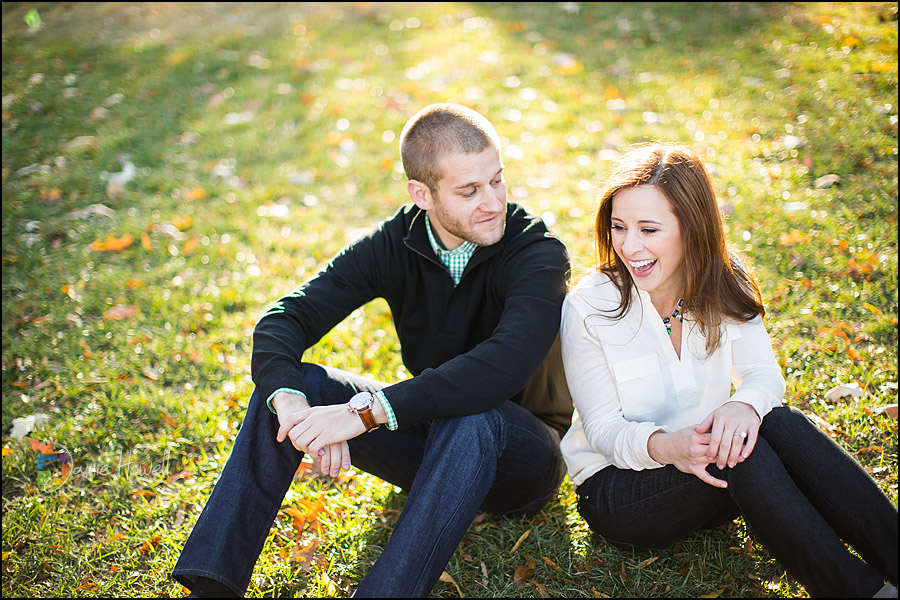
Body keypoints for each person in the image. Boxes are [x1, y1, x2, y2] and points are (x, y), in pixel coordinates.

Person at [171, 103, 573, 598]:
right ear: (422, 194)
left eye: (496, 180)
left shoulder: (537, 253)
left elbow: (503, 367)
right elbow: (285, 318)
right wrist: (291, 404)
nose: (492, 202)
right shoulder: (394, 244)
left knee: (474, 415)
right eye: (469, 191)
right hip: (432, 442)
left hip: (524, 458)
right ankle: (212, 584)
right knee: (295, 382)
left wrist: (365, 413)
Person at [559, 143, 898, 598]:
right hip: (622, 488)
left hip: (720, 475)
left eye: (649, 229)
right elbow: (603, 430)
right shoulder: (589, 306)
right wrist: (668, 447)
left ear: (692, 226)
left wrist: (743, 406)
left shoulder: (723, 276)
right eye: (619, 227)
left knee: (775, 422)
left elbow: (763, 376)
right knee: (738, 449)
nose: (629, 246)